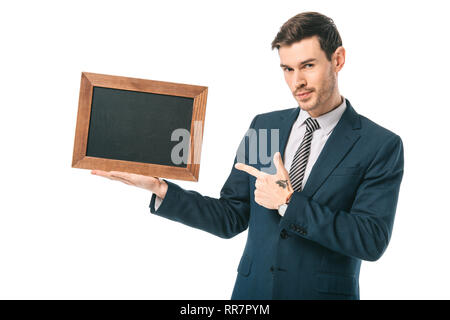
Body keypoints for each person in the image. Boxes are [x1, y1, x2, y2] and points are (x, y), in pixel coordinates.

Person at [91, 11, 404, 300]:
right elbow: (231, 216)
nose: (298, 82)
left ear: (337, 60)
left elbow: (370, 240)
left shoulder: (379, 145)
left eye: (308, 65)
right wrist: (160, 188)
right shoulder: (265, 127)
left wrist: (288, 203)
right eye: (287, 69)